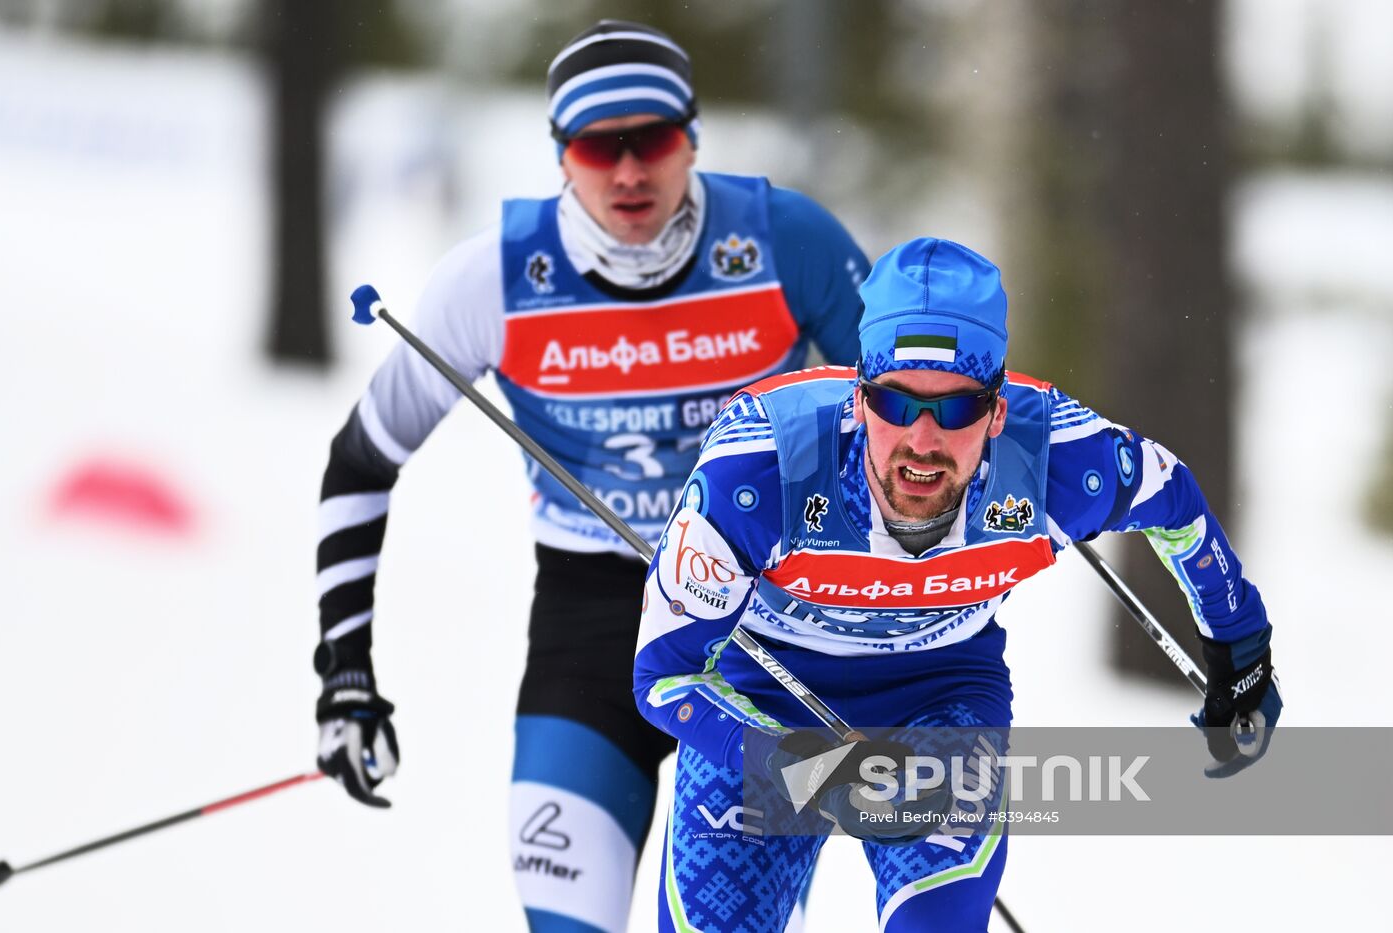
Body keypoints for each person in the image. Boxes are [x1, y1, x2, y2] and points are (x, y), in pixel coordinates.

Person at [309, 19, 870, 933]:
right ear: (560, 156)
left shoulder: (786, 241)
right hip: (589, 634)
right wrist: (344, 674)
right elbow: (360, 463)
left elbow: (917, 421)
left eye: (650, 139)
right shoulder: (493, 279)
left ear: (690, 136)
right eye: (596, 147)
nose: (628, 171)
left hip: (759, 638)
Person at [634, 237, 1283, 931]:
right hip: (764, 695)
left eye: (956, 410)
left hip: (939, 699)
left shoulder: (1053, 460)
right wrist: (804, 769)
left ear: (997, 411)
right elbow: (663, 680)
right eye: (895, 403)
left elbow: (1171, 495)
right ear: (859, 399)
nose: (921, 440)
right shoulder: (761, 465)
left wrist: (1240, 645)